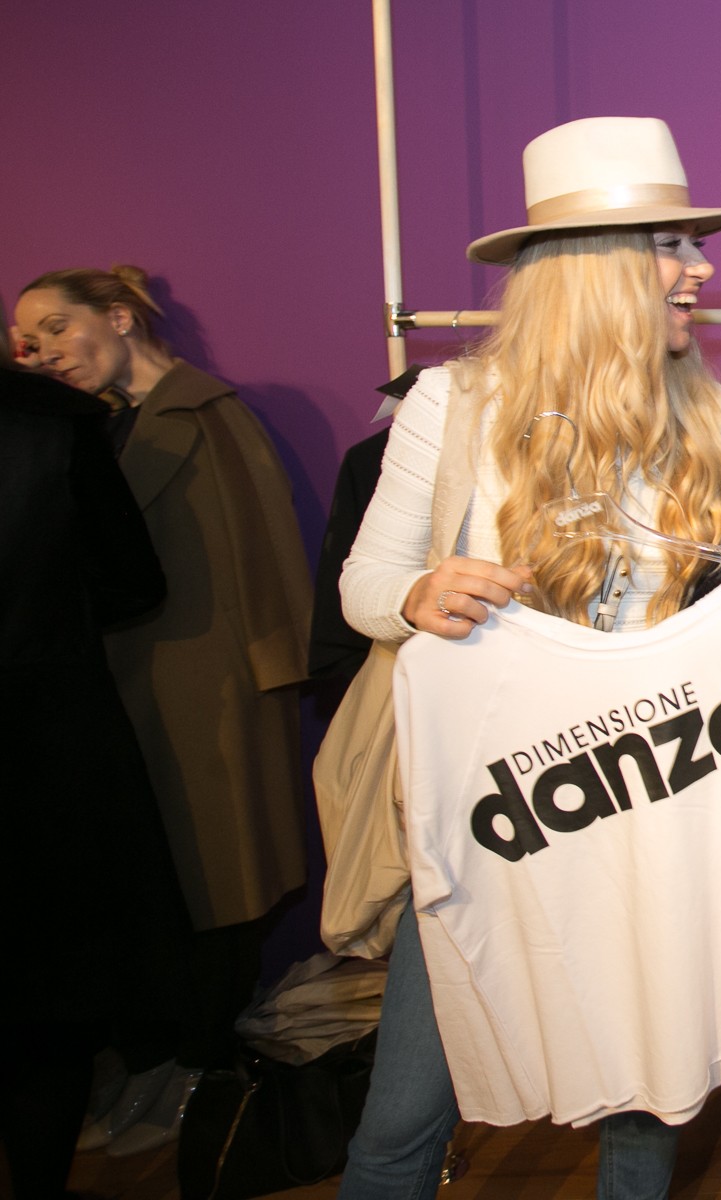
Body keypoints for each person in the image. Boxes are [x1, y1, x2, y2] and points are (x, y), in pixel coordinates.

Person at [335, 116, 721, 1200]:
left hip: (645, 805)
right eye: (672, 245)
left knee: (645, 1102)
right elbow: (362, 584)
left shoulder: (713, 421)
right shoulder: (452, 408)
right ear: (595, 266)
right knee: (405, 1115)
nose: (701, 268)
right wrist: (420, 594)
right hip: (489, 817)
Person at [9, 266, 314, 1155]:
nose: (43, 351)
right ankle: (158, 1068)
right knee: (157, 886)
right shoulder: (91, 428)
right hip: (118, 693)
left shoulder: (205, 413)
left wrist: (272, 679)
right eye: (28, 340)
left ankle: (196, 1071)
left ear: (117, 317)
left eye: (56, 327)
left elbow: (268, 549)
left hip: (210, 691)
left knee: (222, 878)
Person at [0, 351, 193, 1198]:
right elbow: (131, 582)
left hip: (48, 744)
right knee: (49, 1002)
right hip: (44, 748)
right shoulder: (54, 423)